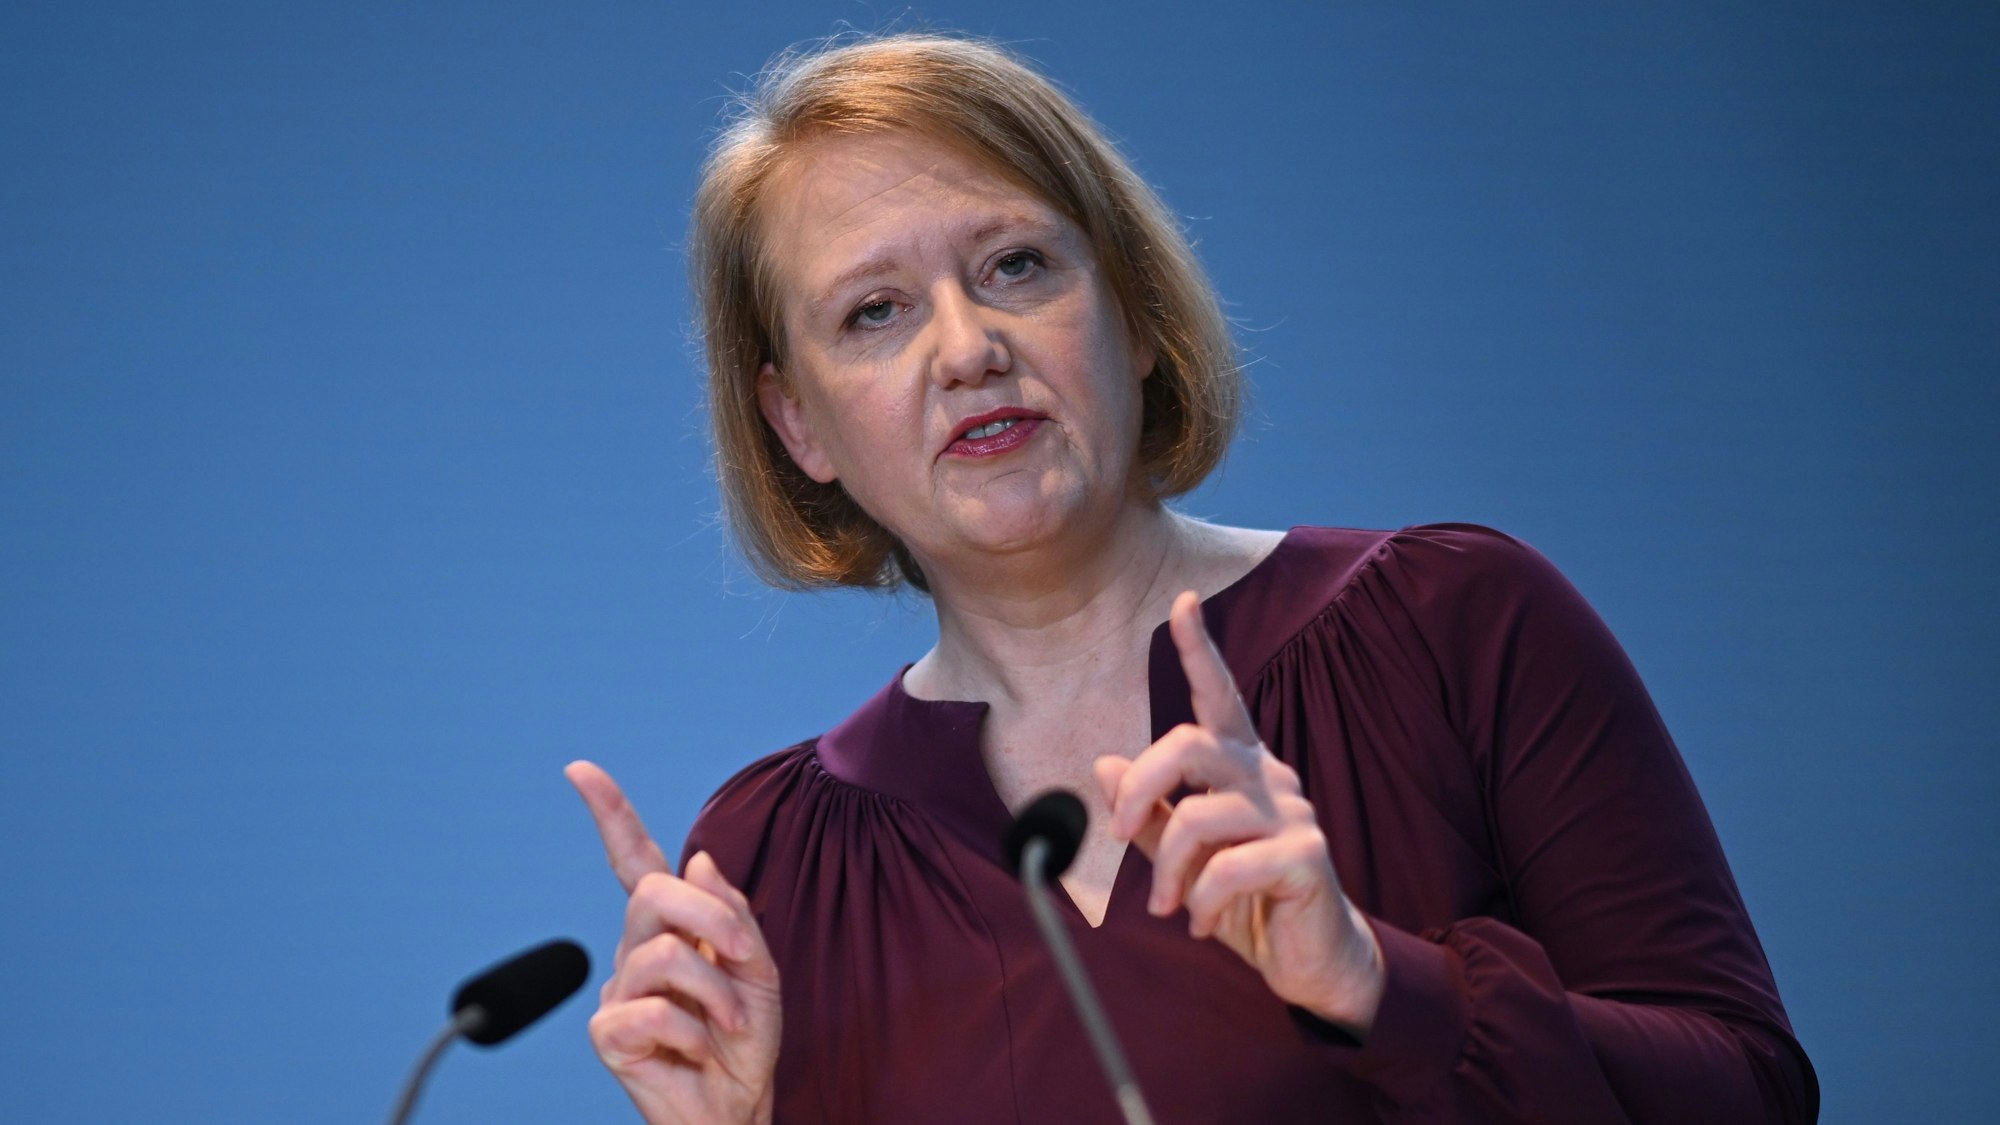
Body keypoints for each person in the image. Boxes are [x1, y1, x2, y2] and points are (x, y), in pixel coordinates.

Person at [564, 32, 1819, 1124]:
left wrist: (1379, 986)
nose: (966, 347)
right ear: (799, 427)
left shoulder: (1457, 625)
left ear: (1136, 314)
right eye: (873, 313)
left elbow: (1748, 1093)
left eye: (1014, 265)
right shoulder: (770, 866)